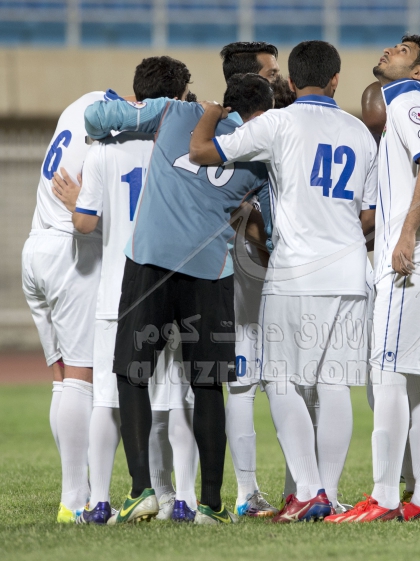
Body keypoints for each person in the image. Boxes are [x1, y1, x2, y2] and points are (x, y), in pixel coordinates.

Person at [190, 40, 377, 522]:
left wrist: (211, 112)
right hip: (351, 271)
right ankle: (328, 494)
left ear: (291, 81)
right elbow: (370, 215)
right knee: (335, 385)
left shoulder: (278, 122)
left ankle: (308, 491)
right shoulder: (359, 132)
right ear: (336, 80)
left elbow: (203, 152)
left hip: (296, 271)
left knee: (279, 379)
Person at [83, 73, 274, 524]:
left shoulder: (174, 110)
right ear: (263, 114)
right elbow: (266, 231)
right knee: (207, 383)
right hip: (209, 271)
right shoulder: (263, 157)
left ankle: (141, 491)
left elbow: (95, 118)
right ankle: (211, 504)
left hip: (149, 261)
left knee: (132, 374)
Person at [51, 56, 200, 524]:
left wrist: (78, 204)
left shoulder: (104, 150)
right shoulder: (184, 151)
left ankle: (99, 502)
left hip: (117, 290)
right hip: (173, 286)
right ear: (174, 99)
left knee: (108, 399)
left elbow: (84, 224)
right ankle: (184, 500)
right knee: (177, 399)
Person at [329, 35, 420, 524]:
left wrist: (405, 235)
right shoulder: (402, 105)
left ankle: (384, 498)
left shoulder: (408, 103)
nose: (389, 50)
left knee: (386, 374)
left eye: (403, 50)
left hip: (413, 261)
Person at [21, 85, 129, 522]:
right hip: (70, 254)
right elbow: (92, 212)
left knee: (62, 380)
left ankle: (77, 491)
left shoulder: (78, 104)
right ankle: (74, 500)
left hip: (36, 248)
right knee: (83, 381)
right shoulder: (114, 125)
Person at [218, 42, 284, 519]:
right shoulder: (261, 134)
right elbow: (257, 215)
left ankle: (245, 491)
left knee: (242, 378)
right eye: (271, 72)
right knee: (280, 376)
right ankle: (294, 489)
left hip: (222, 269)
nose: (279, 78)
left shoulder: (211, 130)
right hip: (254, 266)